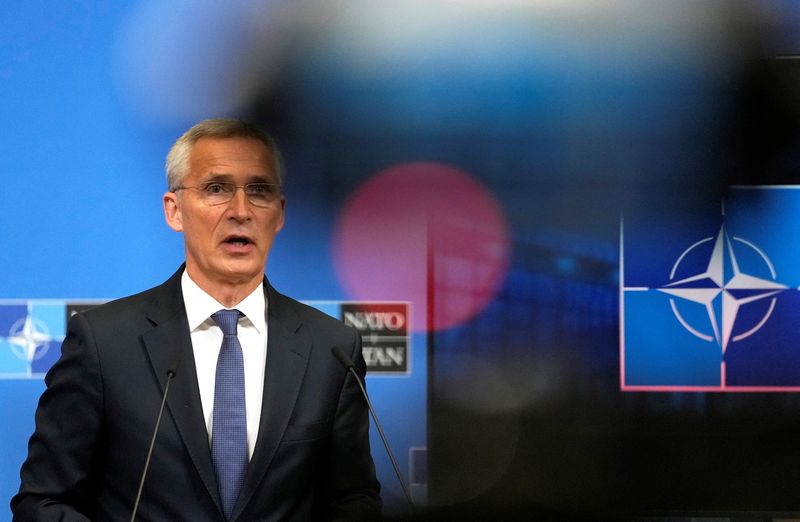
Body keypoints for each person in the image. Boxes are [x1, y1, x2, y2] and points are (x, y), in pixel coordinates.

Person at [11, 118, 382, 521]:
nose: (240, 211)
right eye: (216, 189)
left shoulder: (330, 348)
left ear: (279, 214)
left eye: (259, 191)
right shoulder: (104, 342)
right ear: (174, 210)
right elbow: (42, 503)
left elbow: (353, 502)